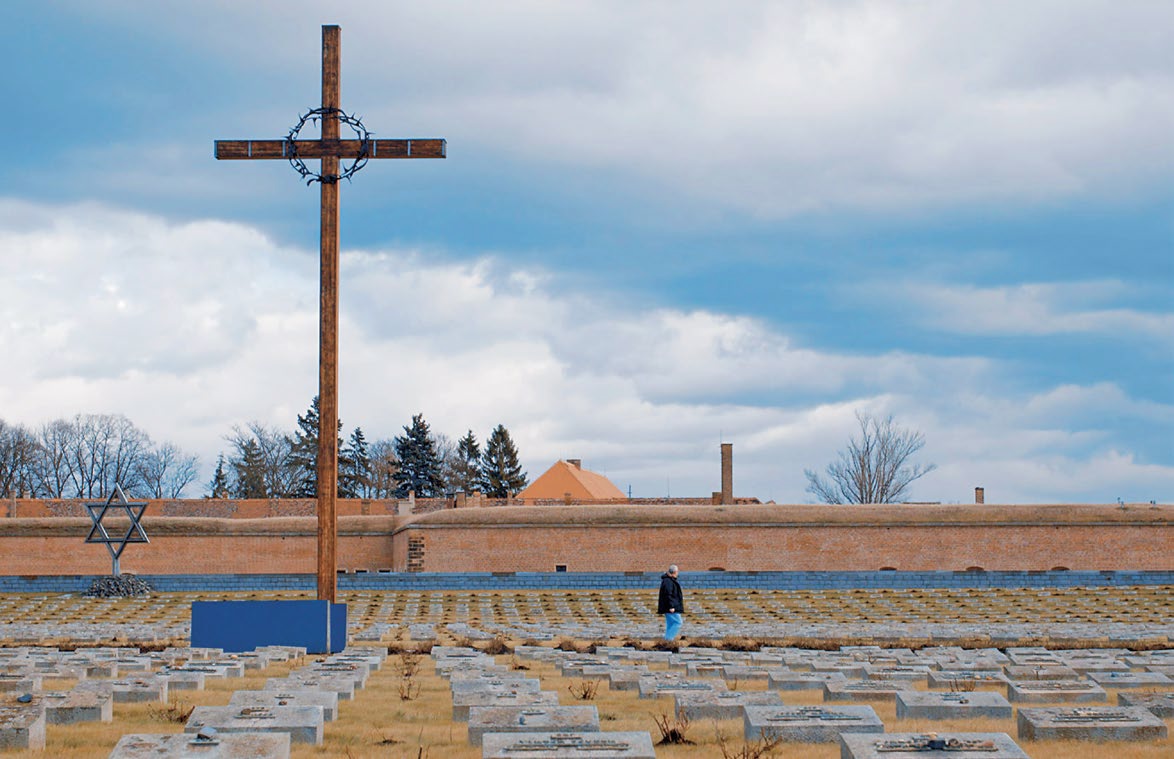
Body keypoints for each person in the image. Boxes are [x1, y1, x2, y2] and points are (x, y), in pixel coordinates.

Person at [657, 564, 684, 640]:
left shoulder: (668, 580)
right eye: (677, 572)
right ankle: (669, 639)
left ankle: (667, 640)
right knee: (678, 622)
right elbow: (668, 595)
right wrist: (671, 606)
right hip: (671, 607)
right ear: (674, 572)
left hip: (670, 606)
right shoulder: (668, 582)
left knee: (670, 624)